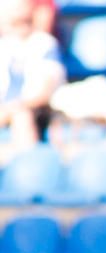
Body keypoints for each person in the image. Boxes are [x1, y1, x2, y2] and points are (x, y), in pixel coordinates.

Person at [0, 0, 65, 146]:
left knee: (22, 117)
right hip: (5, 105)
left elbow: (44, 91)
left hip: (33, 109)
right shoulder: (4, 45)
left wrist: (12, 108)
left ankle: (27, 160)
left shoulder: (43, 44)